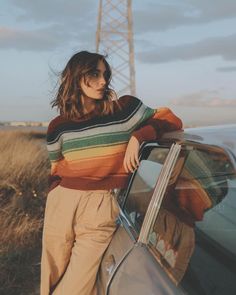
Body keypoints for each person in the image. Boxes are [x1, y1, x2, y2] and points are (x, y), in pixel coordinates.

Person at [40, 50, 183, 295]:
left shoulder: (124, 110)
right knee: (51, 274)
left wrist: (139, 136)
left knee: (76, 284)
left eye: (105, 74)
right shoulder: (57, 126)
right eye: (94, 74)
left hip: (101, 206)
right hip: (61, 203)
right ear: (76, 77)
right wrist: (55, 195)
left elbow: (171, 119)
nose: (103, 81)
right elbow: (56, 168)